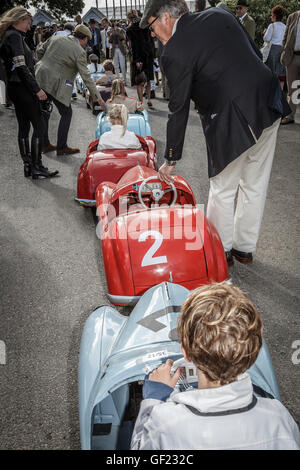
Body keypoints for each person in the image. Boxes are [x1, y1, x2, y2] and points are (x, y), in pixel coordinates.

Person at [140, 0, 290, 267]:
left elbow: (178, 107)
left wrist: (171, 157)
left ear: (165, 18)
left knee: (222, 186)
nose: (151, 35)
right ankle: (244, 248)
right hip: (268, 100)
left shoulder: (173, 50)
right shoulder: (220, 14)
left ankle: (219, 251)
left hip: (233, 115)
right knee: (255, 182)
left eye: (151, 27)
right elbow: (254, 53)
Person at [131, 282, 300, 450]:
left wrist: (154, 399)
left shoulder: (164, 424)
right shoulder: (278, 416)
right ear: (252, 353)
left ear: (186, 352)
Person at [0, 7, 58, 179]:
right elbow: (22, 67)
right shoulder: (15, 37)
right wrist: (37, 89)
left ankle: (29, 166)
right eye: (27, 22)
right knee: (39, 125)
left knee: (24, 127)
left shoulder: (9, 36)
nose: (29, 25)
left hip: (15, 87)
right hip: (23, 87)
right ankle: (37, 165)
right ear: (18, 20)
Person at [35, 24, 105, 155]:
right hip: (56, 83)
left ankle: (45, 145)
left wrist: (45, 64)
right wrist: (98, 98)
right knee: (66, 113)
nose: (86, 44)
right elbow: (86, 77)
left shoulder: (56, 38)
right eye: (86, 41)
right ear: (83, 38)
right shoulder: (79, 52)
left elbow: (39, 50)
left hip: (40, 76)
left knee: (44, 111)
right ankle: (62, 147)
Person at [126, 9, 155, 107]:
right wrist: (152, 55)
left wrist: (137, 60)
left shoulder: (130, 29)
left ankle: (141, 102)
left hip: (138, 57)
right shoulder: (146, 25)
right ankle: (149, 99)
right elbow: (150, 41)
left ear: (129, 18)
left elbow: (133, 46)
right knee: (148, 79)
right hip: (148, 56)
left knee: (140, 81)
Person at [280, 1, 300, 125]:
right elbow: (286, 36)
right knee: (293, 88)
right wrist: (284, 49)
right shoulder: (292, 17)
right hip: (293, 57)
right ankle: (290, 115)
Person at [263, 5, 286, 90]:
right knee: (281, 75)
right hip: (282, 51)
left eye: (271, 14)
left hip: (272, 51)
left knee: (270, 74)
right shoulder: (285, 27)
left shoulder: (271, 26)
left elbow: (266, 38)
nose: (271, 16)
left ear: (275, 16)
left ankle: (270, 97)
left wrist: (265, 33)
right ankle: (280, 97)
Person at [108, 20, 127, 84]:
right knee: (115, 65)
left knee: (122, 65)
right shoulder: (110, 32)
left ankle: (124, 80)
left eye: (115, 25)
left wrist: (117, 32)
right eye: (113, 25)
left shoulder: (121, 30)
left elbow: (123, 38)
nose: (114, 26)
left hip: (120, 49)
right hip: (114, 49)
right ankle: (118, 79)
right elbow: (109, 41)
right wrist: (111, 33)